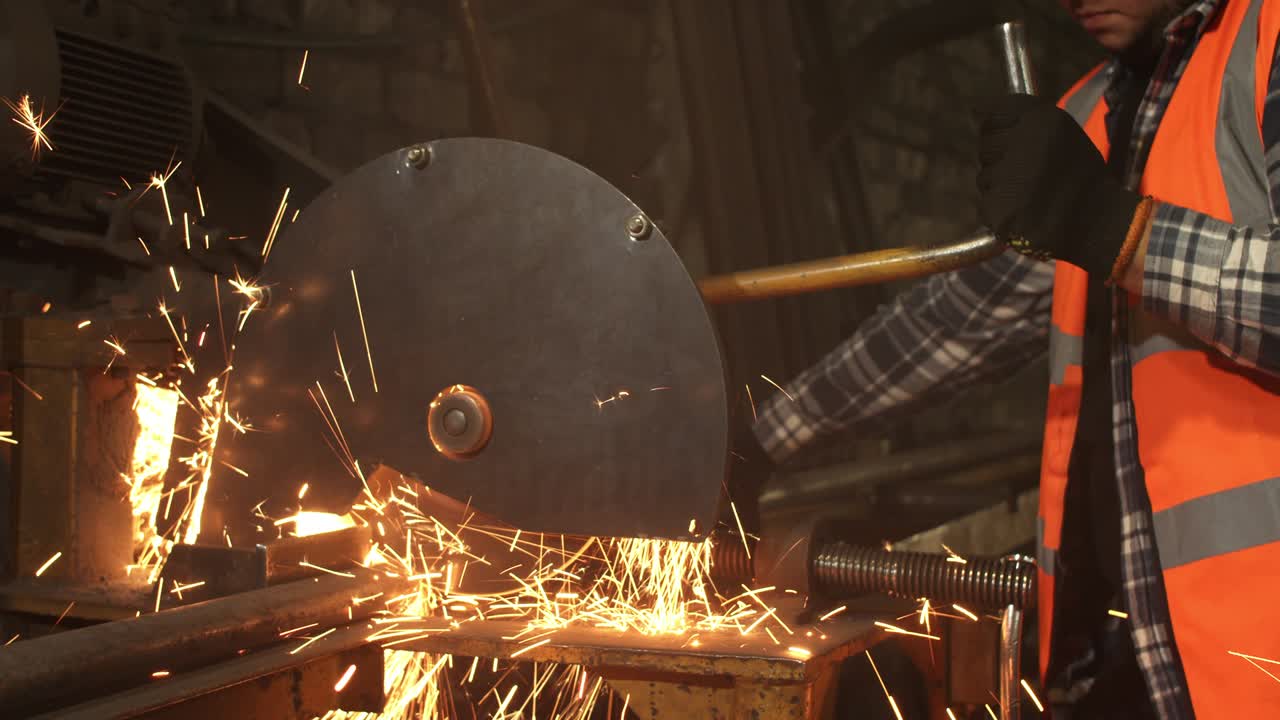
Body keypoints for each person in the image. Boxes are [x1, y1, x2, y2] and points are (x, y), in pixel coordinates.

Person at [732, 1, 1280, 717]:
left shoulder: (1266, 43)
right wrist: (757, 441)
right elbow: (966, 318)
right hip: (1142, 655)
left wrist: (1117, 232)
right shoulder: (1091, 113)